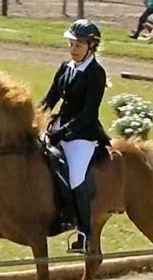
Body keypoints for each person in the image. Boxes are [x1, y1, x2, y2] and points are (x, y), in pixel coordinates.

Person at [39, 19, 112, 254]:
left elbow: (88, 113)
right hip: (59, 126)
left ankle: (85, 234)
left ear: (91, 47)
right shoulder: (65, 67)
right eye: (71, 44)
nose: (73, 49)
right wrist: (33, 116)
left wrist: (63, 131)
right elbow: (50, 99)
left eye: (78, 45)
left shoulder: (96, 73)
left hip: (83, 134)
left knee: (75, 176)